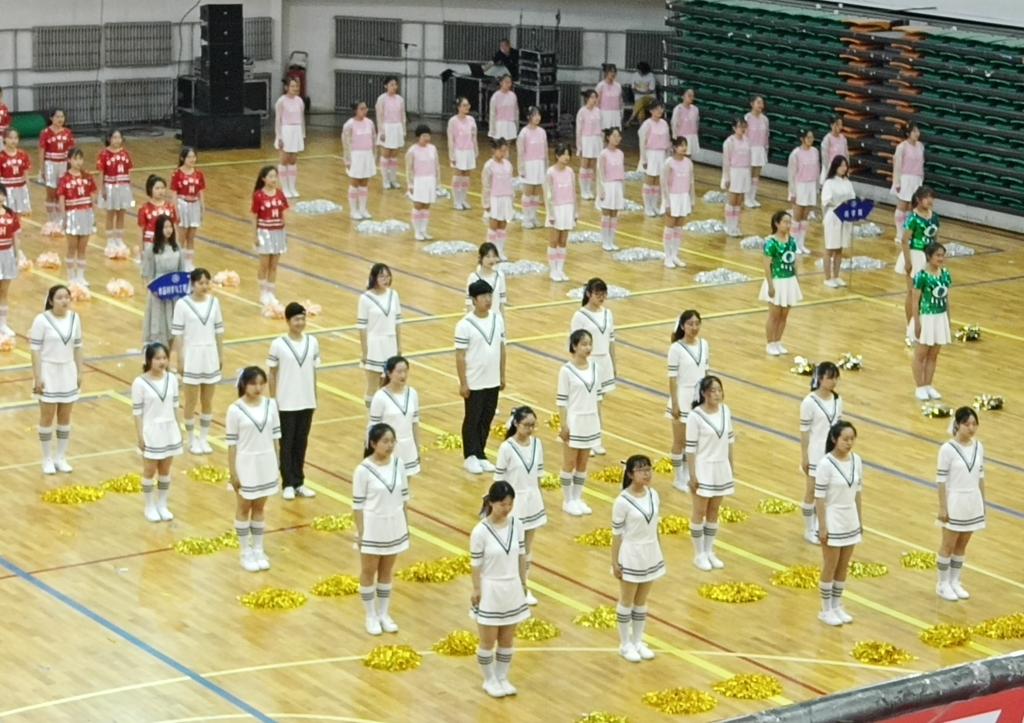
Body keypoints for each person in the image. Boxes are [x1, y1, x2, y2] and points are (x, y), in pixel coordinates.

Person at [471, 480, 529, 698]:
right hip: (490, 588)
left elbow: (521, 556)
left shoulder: (517, 525)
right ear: (491, 503)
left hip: (511, 586)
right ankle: (489, 679)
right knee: (488, 641)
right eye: (502, 504)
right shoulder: (480, 531)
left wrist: (523, 583)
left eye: (510, 504)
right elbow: (475, 564)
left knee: (507, 639)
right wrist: (476, 589)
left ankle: (502, 677)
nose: (507, 508)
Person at [354, 422, 410, 635]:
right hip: (372, 526)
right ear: (373, 443)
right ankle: (370, 615)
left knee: (387, 571)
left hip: (394, 524)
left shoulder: (398, 464)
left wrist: (405, 524)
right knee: (369, 571)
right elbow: (357, 505)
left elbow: (404, 498)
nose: (389, 445)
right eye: (385, 441)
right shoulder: (363, 470)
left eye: (392, 441)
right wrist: (361, 533)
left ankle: (383, 613)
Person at [227, 366, 281, 573]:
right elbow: (232, 444)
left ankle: (258, 549)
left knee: (259, 508)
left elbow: (275, 437)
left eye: (261, 383)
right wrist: (233, 472)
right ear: (244, 384)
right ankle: (244, 552)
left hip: (266, 461)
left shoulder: (271, 405)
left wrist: (276, 463)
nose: (258, 388)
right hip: (246, 462)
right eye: (253, 383)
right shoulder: (235, 409)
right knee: (244, 507)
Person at [612, 455, 664, 663]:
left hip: (650, 552)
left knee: (641, 601)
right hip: (631, 553)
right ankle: (625, 644)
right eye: (641, 470)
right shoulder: (622, 501)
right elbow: (616, 534)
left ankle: (637, 640)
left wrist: (658, 550)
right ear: (630, 474)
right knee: (627, 601)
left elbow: (655, 526)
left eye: (649, 469)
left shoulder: (654, 495)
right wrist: (615, 562)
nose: (647, 473)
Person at [268, 302, 320, 501]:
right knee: (287, 443)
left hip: (306, 401)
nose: (300, 323)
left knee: (301, 443)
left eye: (302, 319)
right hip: (286, 402)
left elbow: (313, 371)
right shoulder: (278, 344)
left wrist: (314, 396)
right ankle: (288, 483)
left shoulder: (312, 342)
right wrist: (273, 399)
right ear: (288, 321)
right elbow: (272, 373)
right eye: (296, 319)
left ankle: (299, 482)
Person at [494, 406, 546, 606]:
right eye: (526, 425)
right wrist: (499, 507)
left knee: (527, 548)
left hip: (532, 500)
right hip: (513, 504)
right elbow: (499, 480)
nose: (530, 429)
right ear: (516, 423)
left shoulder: (537, 444)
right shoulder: (506, 447)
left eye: (533, 425)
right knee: (514, 547)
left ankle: (524, 585)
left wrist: (539, 498)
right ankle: (511, 586)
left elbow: (538, 475)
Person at [30, 285, 83, 475]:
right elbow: (35, 350)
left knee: (65, 416)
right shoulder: (41, 320)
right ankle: (47, 458)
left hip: (67, 370)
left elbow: (78, 347)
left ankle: (61, 457)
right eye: (60, 297)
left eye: (67, 297)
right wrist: (38, 377)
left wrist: (79, 372)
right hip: (48, 370)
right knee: (47, 416)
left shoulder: (75, 318)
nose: (64, 301)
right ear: (51, 301)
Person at [455, 279, 506, 475]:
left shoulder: (497, 319)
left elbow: (501, 348)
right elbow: (460, 356)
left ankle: (481, 453)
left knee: (487, 417)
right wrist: (463, 382)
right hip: (474, 379)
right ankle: (470, 455)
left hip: (492, 378)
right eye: (483, 296)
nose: (488, 299)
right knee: (473, 418)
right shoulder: (464, 325)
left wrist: (502, 374)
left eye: (489, 295)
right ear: (474, 300)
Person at [171, 267, 223, 455]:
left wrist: (220, 355)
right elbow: (178, 334)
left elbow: (218, 331)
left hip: (209, 354)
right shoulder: (182, 304)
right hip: (191, 355)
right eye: (201, 283)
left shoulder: (214, 302)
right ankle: (191, 439)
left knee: (207, 400)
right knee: (191, 401)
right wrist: (180, 359)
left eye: (207, 282)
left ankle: (204, 438)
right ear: (192, 284)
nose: (204, 286)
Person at [936, 407, 985, 602]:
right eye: (967, 424)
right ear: (957, 424)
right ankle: (942, 584)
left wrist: (982, 503)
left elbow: (980, 476)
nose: (971, 428)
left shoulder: (979, 446)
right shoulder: (947, 449)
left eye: (974, 424)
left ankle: (955, 581)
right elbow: (941, 480)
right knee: (948, 545)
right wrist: (942, 507)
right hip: (954, 500)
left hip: (972, 501)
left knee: (962, 545)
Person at [815, 421, 862, 626]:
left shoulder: (857, 460)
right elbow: (819, 497)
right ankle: (825, 609)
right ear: (834, 439)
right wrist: (822, 526)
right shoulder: (825, 464)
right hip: (833, 517)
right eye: (845, 439)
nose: (849, 443)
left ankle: (837, 604)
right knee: (831, 565)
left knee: (843, 565)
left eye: (852, 439)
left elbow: (858, 493)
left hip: (850, 517)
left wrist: (860, 520)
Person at [686, 375, 734, 571]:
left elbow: (729, 441)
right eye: (713, 391)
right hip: (703, 467)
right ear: (704, 394)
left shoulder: (725, 411)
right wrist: (692, 475)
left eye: (719, 390)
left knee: (714, 511)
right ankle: (699, 554)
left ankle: (709, 551)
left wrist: (730, 467)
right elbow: (690, 449)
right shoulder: (695, 416)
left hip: (720, 467)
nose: (717, 394)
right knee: (699, 512)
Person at [132, 342, 183, 522]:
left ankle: (162, 504)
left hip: (169, 429)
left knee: (165, 470)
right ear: (149, 360)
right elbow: (137, 413)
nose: (162, 362)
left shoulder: (172, 379)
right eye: (157, 358)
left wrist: (178, 429)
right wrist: (140, 436)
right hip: (151, 430)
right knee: (149, 470)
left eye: (164, 358)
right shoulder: (140, 383)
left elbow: (175, 406)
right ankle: (149, 505)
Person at [557, 329, 601, 516]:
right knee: (570, 462)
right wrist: (563, 425)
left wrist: (599, 421)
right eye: (583, 344)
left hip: (590, 420)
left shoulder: (595, 367)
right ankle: (567, 500)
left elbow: (598, 397)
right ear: (574, 346)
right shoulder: (566, 370)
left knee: (583, 463)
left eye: (589, 344)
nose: (588, 348)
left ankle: (577, 497)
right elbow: (561, 401)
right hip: (574, 420)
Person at [665, 310, 709, 493]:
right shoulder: (676, 348)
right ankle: (678, 477)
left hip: (698, 399)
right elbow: (672, 378)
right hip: (682, 397)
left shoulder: (704, 344)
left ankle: (689, 473)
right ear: (683, 326)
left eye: (697, 323)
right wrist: (675, 403)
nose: (694, 327)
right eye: (690, 324)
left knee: (694, 441)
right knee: (680, 441)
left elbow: (706, 372)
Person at [799, 362, 843, 544]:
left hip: (832, 454)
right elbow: (804, 432)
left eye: (836, 378)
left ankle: (820, 525)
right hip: (816, 452)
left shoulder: (838, 400)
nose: (834, 381)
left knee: (827, 493)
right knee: (812, 491)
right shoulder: (809, 402)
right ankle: (808, 529)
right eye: (830, 378)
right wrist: (805, 456)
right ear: (820, 378)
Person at [571, 278, 615, 455]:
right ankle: (582, 440)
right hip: (588, 362)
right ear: (589, 294)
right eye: (598, 294)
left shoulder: (608, 313)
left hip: (604, 361)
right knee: (585, 403)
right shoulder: (580, 316)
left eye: (604, 294)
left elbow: (611, 339)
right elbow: (574, 343)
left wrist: (613, 363)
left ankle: (595, 440)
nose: (601, 297)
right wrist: (579, 365)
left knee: (598, 402)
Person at [358, 263, 403, 407]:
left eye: (388, 276)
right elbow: (362, 327)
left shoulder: (393, 295)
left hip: (390, 344)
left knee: (389, 385)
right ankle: (372, 416)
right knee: (372, 385)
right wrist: (365, 352)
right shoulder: (365, 298)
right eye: (382, 276)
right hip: (374, 344)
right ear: (374, 278)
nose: (386, 279)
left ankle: (386, 415)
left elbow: (397, 322)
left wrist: (399, 346)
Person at [910, 242, 951, 401]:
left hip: (940, 317)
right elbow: (915, 301)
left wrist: (948, 319)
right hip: (926, 317)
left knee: (934, 354)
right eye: (937, 255)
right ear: (929, 256)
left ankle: (928, 384)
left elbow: (946, 298)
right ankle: (919, 386)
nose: (941, 258)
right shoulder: (921, 276)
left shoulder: (945, 274)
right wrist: (917, 322)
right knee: (920, 354)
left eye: (942, 255)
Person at [369, 355, 421, 478]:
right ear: (389, 373)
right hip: (388, 449)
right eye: (399, 372)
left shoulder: (412, 394)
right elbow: (373, 428)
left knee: (405, 487)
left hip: (407, 448)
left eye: (405, 371)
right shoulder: (380, 397)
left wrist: (417, 448)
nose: (403, 375)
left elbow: (415, 423)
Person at [759, 210, 802, 356]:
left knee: (784, 315)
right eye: (785, 222)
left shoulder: (792, 241)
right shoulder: (771, 243)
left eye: (790, 222)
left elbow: (794, 262)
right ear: (777, 224)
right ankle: (770, 343)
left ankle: (778, 341)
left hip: (789, 280)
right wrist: (770, 285)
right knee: (774, 315)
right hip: (777, 280)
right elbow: (767, 266)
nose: (788, 225)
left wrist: (796, 280)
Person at [56, 148, 97, 287]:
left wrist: (93, 214)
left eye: (80, 159)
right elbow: (61, 199)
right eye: (75, 159)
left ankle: (81, 276)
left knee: (82, 248)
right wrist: (64, 217)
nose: (78, 162)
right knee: (72, 247)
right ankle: (70, 276)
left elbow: (92, 195)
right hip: (72, 215)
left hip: (86, 214)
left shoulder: (88, 177)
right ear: (69, 160)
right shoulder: (64, 179)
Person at [899, 187, 939, 330]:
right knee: (913, 292)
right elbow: (905, 240)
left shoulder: (934, 217)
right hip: (915, 255)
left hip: (929, 256)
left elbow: (935, 238)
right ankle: (910, 326)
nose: (930, 200)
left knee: (925, 292)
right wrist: (908, 261)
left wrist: (935, 258)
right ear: (918, 199)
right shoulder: (913, 218)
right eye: (926, 197)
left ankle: (922, 323)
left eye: (931, 197)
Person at [141, 216, 184, 347]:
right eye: (165, 227)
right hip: (158, 292)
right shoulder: (152, 249)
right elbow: (147, 273)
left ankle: (170, 354)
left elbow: (182, 270)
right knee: (158, 326)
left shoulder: (177, 247)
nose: (168, 230)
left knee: (173, 327)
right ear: (159, 229)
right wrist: (152, 289)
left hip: (174, 292)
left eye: (170, 226)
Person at [251, 165, 288, 306]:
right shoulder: (258, 196)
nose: (274, 179)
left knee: (274, 266)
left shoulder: (280, 194)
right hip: (264, 233)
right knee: (264, 265)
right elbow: (254, 216)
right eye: (271, 176)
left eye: (275, 176)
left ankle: (271, 293)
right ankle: (263, 292)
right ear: (263, 179)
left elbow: (283, 213)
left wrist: (284, 230)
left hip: (278, 232)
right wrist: (254, 235)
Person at [97, 129, 134, 259]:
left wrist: (129, 187)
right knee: (110, 214)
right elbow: (101, 173)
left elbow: (129, 172)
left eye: (119, 137)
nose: (117, 140)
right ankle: (109, 240)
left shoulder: (126, 154)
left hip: (123, 186)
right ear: (109, 139)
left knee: (121, 214)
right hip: (110, 186)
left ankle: (119, 238)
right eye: (114, 137)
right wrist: (102, 189)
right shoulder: (104, 154)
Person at [820, 155, 855, 288]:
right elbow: (826, 200)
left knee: (839, 248)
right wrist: (840, 204)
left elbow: (852, 197)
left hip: (845, 217)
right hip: (833, 216)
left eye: (845, 165)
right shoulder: (829, 182)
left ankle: (836, 276)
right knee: (830, 248)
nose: (843, 168)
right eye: (841, 165)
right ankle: (827, 277)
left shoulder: (847, 182)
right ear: (835, 167)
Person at [543, 143, 576, 282]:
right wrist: (550, 213)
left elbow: (573, 192)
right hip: (556, 208)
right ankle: (553, 270)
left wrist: (575, 212)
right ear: (557, 155)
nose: (566, 157)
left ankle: (560, 269)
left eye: (568, 154)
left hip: (568, 207)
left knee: (563, 241)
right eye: (563, 154)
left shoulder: (570, 172)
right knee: (554, 240)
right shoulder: (550, 172)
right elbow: (548, 194)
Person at [169, 147, 206, 271]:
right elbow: (174, 193)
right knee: (181, 237)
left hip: (194, 205)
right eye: (189, 157)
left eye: (194, 157)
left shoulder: (199, 174)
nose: (192, 159)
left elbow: (200, 192)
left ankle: (189, 263)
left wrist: (202, 207)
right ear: (182, 158)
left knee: (191, 236)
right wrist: (176, 209)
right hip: (182, 204)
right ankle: (179, 262)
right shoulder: (177, 173)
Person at [661, 136, 695, 268]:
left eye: (685, 145)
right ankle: (667, 256)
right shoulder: (669, 163)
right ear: (674, 147)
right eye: (681, 145)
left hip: (683, 197)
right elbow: (664, 183)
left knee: (679, 227)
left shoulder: (688, 163)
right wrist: (667, 202)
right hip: (672, 197)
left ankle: (675, 255)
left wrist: (692, 199)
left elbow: (691, 182)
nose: (684, 148)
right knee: (670, 226)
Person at [38, 109, 74, 229]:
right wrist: (42, 169)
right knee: (51, 193)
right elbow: (41, 152)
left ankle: (60, 220)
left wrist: (71, 168)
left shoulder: (68, 133)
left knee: (61, 193)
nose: (60, 119)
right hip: (50, 164)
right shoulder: (45, 133)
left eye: (62, 116)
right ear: (51, 118)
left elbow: (71, 152)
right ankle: (51, 220)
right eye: (57, 116)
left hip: (63, 164)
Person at [405, 124, 441, 241]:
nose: (426, 138)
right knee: (418, 205)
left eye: (428, 136)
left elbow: (436, 166)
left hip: (430, 180)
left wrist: (438, 182)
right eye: (424, 136)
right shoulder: (412, 150)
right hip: (419, 180)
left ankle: (424, 230)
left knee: (426, 205)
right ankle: (417, 231)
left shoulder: (433, 148)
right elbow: (409, 169)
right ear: (418, 137)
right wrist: (410, 184)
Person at [342, 100, 377, 220]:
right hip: (355, 155)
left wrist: (374, 155)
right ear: (355, 110)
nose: (365, 111)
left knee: (364, 182)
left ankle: (363, 209)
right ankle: (353, 210)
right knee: (355, 182)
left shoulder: (370, 123)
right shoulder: (349, 124)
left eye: (365, 108)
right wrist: (347, 160)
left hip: (367, 154)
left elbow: (373, 139)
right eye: (361, 108)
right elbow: (345, 143)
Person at [787, 129, 820, 254]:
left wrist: (817, 187)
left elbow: (817, 170)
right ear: (802, 139)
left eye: (812, 137)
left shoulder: (815, 151)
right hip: (799, 186)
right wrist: (792, 192)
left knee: (805, 216)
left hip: (811, 185)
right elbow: (791, 175)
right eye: (808, 137)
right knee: (797, 216)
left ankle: (801, 244)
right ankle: (793, 244)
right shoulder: (795, 154)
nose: (811, 140)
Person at [891, 124, 925, 246]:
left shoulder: (920, 146)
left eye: (918, 131)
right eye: (914, 131)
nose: (917, 134)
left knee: (912, 207)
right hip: (905, 178)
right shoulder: (902, 147)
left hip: (916, 179)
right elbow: (897, 165)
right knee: (902, 205)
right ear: (908, 133)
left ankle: (908, 233)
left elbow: (921, 164)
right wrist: (897, 182)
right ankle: (899, 233)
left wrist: (921, 179)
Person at [481, 139, 514, 259]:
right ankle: (490, 252)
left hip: (506, 197)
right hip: (494, 198)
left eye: (505, 151)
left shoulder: (508, 165)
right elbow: (486, 185)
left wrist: (511, 199)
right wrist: (486, 203)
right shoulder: (489, 165)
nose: (503, 153)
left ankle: (500, 251)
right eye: (501, 151)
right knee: (493, 225)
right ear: (494, 150)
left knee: (502, 224)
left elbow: (510, 182)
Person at [517, 106, 548, 229]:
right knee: (528, 192)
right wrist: (521, 168)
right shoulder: (524, 133)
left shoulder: (542, 132)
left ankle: (533, 216)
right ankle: (526, 218)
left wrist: (545, 166)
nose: (538, 117)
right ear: (529, 117)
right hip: (529, 165)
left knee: (536, 192)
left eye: (539, 115)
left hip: (539, 164)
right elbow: (521, 152)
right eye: (535, 115)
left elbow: (545, 150)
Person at [275, 77, 306, 198]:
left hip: (296, 130)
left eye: (297, 86)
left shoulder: (299, 101)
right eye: (292, 86)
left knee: (293, 160)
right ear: (286, 87)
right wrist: (279, 136)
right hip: (286, 130)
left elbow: (302, 118)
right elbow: (278, 120)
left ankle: (292, 187)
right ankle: (285, 188)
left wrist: (302, 134)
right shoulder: (281, 101)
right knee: (284, 160)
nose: (295, 88)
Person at [638, 101, 670, 217]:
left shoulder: (664, 124)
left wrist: (667, 157)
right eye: (657, 109)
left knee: (658, 181)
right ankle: (647, 206)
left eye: (661, 108)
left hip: (661, 154)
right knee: (650, 180)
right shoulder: (647, 124)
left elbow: (667, 141)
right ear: (651, 110)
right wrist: (644, 159)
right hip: (650, 153)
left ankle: (654, 205)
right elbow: (642, 142)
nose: (659, 111)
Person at [721, 118, 751, 238]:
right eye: (740, 126)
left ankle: (736, 225)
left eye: (744, 126)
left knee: (739, 201)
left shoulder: (747, 141)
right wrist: (726, 177)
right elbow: (726, 161)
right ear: (734, 128)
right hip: (734, 171)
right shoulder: (729, 142)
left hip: (744, 172)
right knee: (732, 200)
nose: (742, 129)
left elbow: (749, 158)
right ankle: (729, 226)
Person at [375, 77, 407, 190]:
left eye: (395, 84)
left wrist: (403, 130)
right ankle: (385, 180)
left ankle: (393, 179)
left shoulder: (400, 99)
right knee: (385, 155)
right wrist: (381, 131)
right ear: (386, 86)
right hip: (386, 128)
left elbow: (403, 115)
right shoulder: (381, 99)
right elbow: (379, 116)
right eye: (391, 84)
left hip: (397, 128)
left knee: (394, 156)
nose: (394, 87)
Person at [447, 97, 478, 211]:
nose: (467, 107)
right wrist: (452, 155)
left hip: (469, 151)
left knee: (466, 177)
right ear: (458, 107)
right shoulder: (453, 121)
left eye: (468, 105)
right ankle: (457, 201)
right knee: (458, 176)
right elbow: (451, 139)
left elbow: (474, 136)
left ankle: (464, 198)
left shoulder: (471, 120)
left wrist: (475, 150)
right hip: (458, 151)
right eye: (464, 105)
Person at [596, 128, 625, 252]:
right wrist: (601, 189)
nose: (616, 138)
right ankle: (605, 241)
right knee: (606, 213)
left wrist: (622, 189)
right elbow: (600, 173)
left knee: (614, 214)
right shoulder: (603, 154)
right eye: (614, 136)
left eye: (618, 136)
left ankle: (611, 240)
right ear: (608, 137)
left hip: (617, 185)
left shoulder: (620, 153)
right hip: (607, 185)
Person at [465, 242, 508, 318]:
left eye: (494, 256)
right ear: (480, 258)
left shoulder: (500, 276)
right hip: (478, 320)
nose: (491, 260)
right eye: (488, 256)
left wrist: (503, 323)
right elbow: (469, 304)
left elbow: (501, 305)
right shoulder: (473, 277)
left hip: (495, 320)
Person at [0, 189, 20, 338]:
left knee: (4, 292)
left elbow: (15, 236)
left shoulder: (11, 214)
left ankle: (3, 324)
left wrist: (17, 254)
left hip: (6, 255)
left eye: (1, 194)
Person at [138, 174, 179, 248]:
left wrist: (176, 245)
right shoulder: (144, 208)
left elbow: (174, 227)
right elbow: (141, 230)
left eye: (162, 188)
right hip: (150, 243)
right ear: (150, 189)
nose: (160, 191)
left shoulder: (170, 207)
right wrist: (141, 249)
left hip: (167, 243)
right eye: (157, 188)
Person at [576, 90, 603, 200]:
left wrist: (601, 142)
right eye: (592, 97)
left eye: (595, 97)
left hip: (596, 140)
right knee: (585, 165)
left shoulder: (598, 111)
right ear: (587, 98)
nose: (594, 99)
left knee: (592, 166)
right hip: (586, 139)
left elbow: (601, 128)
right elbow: (578, 130)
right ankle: (583, 190)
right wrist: (579, 146)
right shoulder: (582, 112)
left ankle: (589, 189)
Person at [1, 128, 32, 221]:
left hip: (20, 189)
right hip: (6, 190)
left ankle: (17, 230)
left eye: (16, 138)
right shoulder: (1, 156)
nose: (13, 140)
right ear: (4, 139)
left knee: (19, 215)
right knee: (6, 214)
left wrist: (28, 190)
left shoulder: (23, 155)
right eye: (10, 138)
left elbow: (26, 175)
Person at [744, 95, 769, 208]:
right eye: (758, 102)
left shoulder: (765, 119)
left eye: (762, 103)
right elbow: (744, 136)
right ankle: (746, 198)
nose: (761, 105)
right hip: (749, 149)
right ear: (752, 104)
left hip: (760, 149)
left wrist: (766, 149)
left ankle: (752, 197)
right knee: (748, 174)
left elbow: (766, 136)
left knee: (756, 175)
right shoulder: (747, 118)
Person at [487, 74, 519, 143]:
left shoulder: (513, 96)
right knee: (498, 146)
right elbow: (492, 113)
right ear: (501, 83)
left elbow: (516, 111)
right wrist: (492, 128)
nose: (508, 84)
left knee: (507, 146)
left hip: (510, 124)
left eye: (509, 82)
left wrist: (516, 125)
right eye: (506, 82)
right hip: (499, 124)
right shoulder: (495, 96)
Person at [670, 88, 700, 157]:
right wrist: (675, 137)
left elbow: (697, 122)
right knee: (680, 156)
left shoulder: (695, 109)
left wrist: (695, 134)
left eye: (693, 96)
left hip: (692, 136)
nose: (691, 98)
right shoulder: (678, 109)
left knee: (689, 156)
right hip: (682, 136)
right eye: (689, 95)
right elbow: (674, 123)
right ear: (683, 96)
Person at [819, 116, 848, 185]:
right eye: (837, 124)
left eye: (840, 124)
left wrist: (846, 168)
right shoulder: (827, 139)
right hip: (831, 167)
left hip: (841, 168)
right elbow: (825, 157)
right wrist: (829, 171)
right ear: (832, 125)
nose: (839, 127)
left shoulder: (843, 138)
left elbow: (846, 154)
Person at [595, 64, 622, 131]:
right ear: (606, 73)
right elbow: (597, 102)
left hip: (615, 114)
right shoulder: (601, 85)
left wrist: (620, 114)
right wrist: (597, 115)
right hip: (604, 114)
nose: (613, 74)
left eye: (614, 72)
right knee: (603, 133)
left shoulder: (618, 86)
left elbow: (620, 101)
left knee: (615, 134)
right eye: (611, 71)